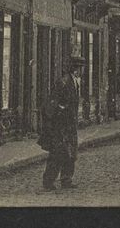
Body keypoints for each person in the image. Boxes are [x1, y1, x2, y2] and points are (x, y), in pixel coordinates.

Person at [40, 55, 86, 191]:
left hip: (69, 125)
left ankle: (66, 180)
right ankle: (48, 181)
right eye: (81, 68)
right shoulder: (64, 82)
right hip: (61, 126)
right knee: (57, 153)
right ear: (77, 69)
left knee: (70, 152)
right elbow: (52, 104)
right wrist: (61, 114)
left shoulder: (74, 81)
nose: (82, 71)